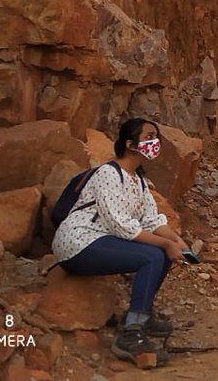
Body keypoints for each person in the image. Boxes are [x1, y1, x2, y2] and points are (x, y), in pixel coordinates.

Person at [53, 117, 191, 366]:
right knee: (154, 254)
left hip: (101, 240)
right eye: (149, 137)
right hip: (78, 242)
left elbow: (151, 221)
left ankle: (139, 317)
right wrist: (164, 245)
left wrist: (177, 242)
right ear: (130, 144)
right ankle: (130, 336)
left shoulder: (138, 180)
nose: (155, 142)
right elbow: (121, 225)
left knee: (163, 253)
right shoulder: (108, 173)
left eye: (156, 137)